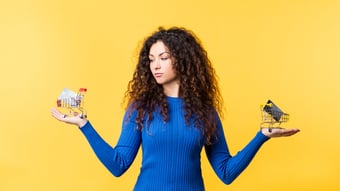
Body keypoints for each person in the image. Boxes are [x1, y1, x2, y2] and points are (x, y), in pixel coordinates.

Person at [50, 26, 300, 191]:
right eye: (151, 59)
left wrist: (262, 137)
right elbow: (118, 165)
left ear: (182, 60)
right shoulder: (140, 108)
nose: (155, 65)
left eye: (163, 57)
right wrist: (84, 125)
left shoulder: (205, 111)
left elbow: (225, 172)